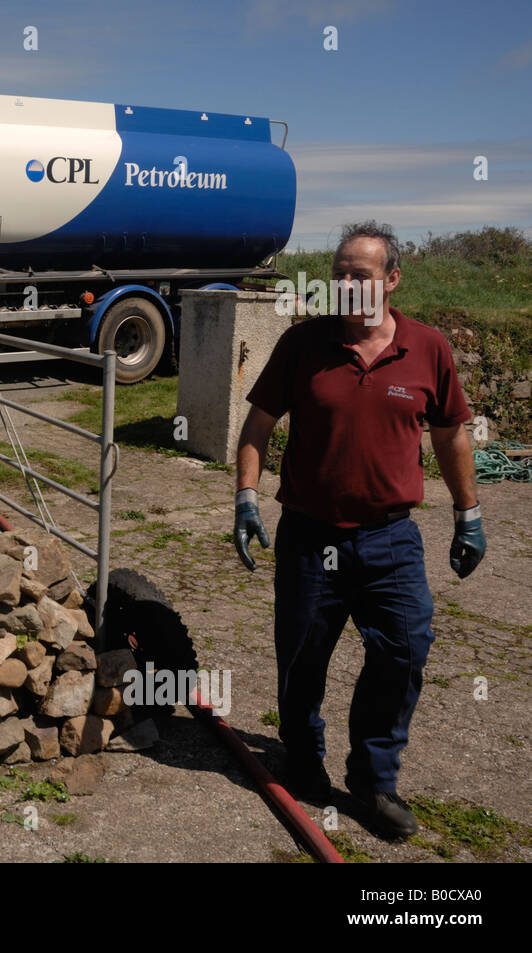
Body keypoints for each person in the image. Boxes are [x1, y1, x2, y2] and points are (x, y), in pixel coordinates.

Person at [232, 221, 485, 839]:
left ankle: (374, 781)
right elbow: (259, 425)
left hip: (390, 538)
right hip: (310, 536)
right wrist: (245, 496)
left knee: (402, 653)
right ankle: (303, 757)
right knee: (301, 655)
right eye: (338, 273)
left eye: (360, 274)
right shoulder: (302, 344)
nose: (344, 284)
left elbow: (451, 433)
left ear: (392, 280)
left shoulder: (428, 349)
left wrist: (468, 513)